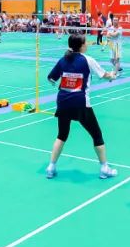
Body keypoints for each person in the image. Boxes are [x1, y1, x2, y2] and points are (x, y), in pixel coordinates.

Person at [44, 33, 118, 180]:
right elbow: (104, 75)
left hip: (63, 101)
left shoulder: (63, 59)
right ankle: (104, 168)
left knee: (62, 135)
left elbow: (51, 78)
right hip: (80, 103)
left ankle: (51, 167)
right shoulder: (88, 60)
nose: (87, 44)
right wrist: (112, 76)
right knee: (97, 135)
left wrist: (67, 78)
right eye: (85, 42)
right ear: (81, 45)